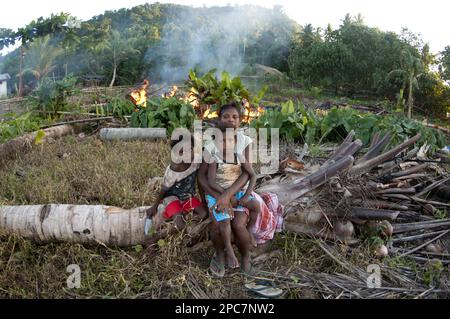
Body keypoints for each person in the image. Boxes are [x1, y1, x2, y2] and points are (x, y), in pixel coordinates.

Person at [200, 102, 261, 275]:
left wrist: (229, 195)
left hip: (236, 192)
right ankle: (220, 254)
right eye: (225, 116)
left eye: (235, 117)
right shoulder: (212, 146)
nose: (230, 120)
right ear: (219, 120)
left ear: (240, 121)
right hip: (216, 192)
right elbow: (203, 177)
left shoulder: (244, 142)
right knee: (218, 223)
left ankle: (246, 256)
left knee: (239, 224)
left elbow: (246, 174)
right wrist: (219, 198)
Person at [145, 135, 208, 251]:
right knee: (179, 225)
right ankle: (154, 238)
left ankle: (189, 228)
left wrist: (203, 200)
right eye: (181, 151)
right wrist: (154, 207)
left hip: (187, 196)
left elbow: (200, 180)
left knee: (204, 213)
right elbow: (164, 190)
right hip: (171, 197)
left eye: (189, 150)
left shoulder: (196, 161)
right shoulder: (175, 168)